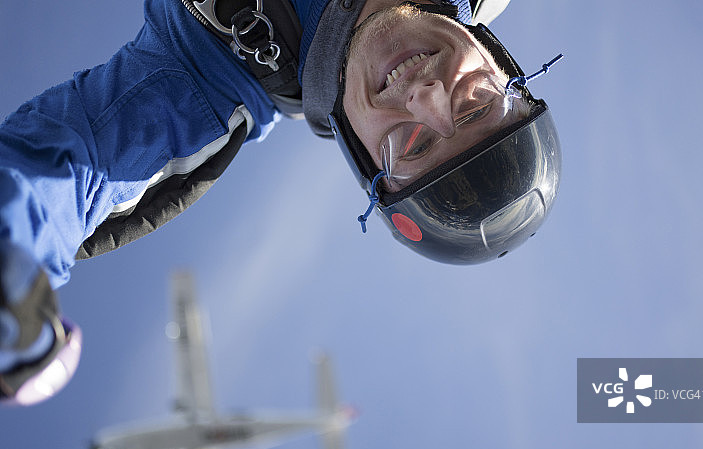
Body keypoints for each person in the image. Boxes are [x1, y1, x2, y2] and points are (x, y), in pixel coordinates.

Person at [0, 0, 562, 404]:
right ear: (501, 66)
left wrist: (13, 281)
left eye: (410, 144)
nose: (426, 97)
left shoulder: (205, 77)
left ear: (363, 156)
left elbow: (65, 170)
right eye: (475, 105)